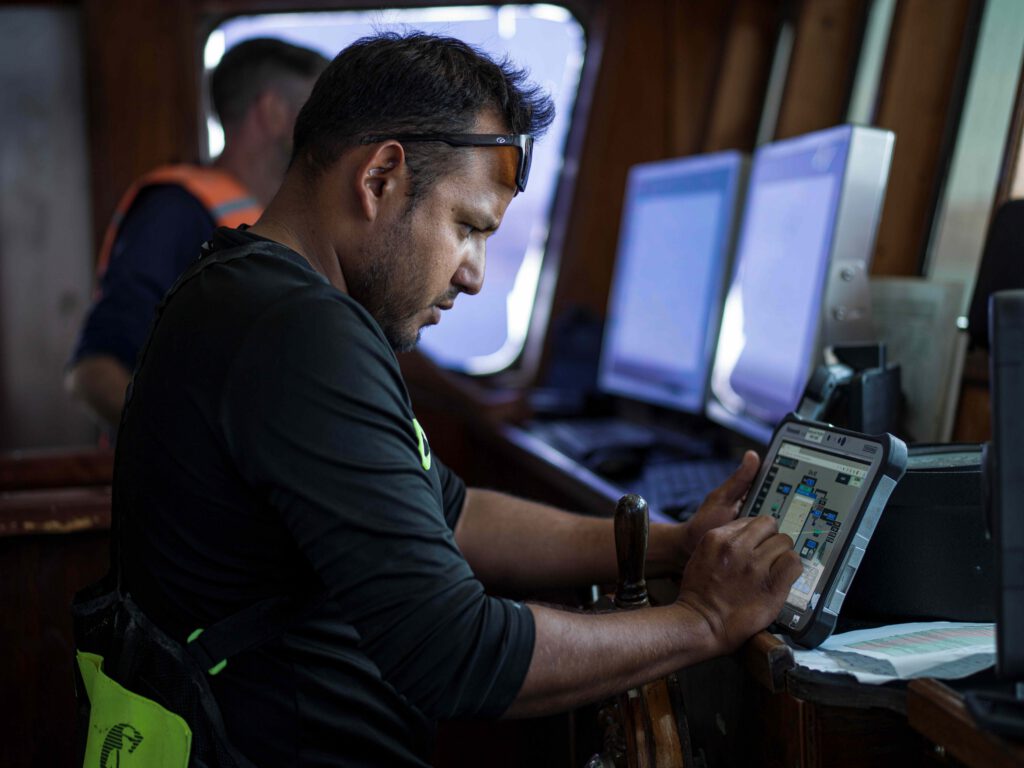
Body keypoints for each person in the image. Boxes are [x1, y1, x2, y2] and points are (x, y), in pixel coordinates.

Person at [112, 32, 802, 767]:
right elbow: (456, 653)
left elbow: (456, 514)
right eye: (467, 227)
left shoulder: (255, 293)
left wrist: (669, 543)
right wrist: (701, 622)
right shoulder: (298, 331)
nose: (472, 275)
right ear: (380, 177)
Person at [65, 38, 328, 429]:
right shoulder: (175, 210)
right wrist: (185, 457)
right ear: (273, 112)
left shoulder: (296, 219)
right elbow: (94, 372)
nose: (331, 131)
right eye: (319, 111)